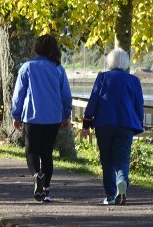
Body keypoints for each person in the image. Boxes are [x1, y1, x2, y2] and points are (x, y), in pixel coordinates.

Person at [11, 34, 72, 202]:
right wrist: (66, 115)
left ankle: (36, 175)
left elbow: (19, 95)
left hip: (32, 116)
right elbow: (66, 95)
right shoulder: (58, 69)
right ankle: (46, 190)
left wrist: (16, 115)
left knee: (31, 150)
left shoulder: (27, 67)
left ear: (37, 48)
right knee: (47, 153)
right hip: (53, 117)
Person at [79, 48, 144, 206]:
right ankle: (121, 183)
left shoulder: (102, 78)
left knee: (107, 161)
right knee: (122, 159)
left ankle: (110, 196)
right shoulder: (134, 81)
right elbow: (139, 105)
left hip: (104, 124)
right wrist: (138, 124)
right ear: (126, 62)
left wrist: (86, 124)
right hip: (126, 125)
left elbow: (93, 101)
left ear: (109, 61)